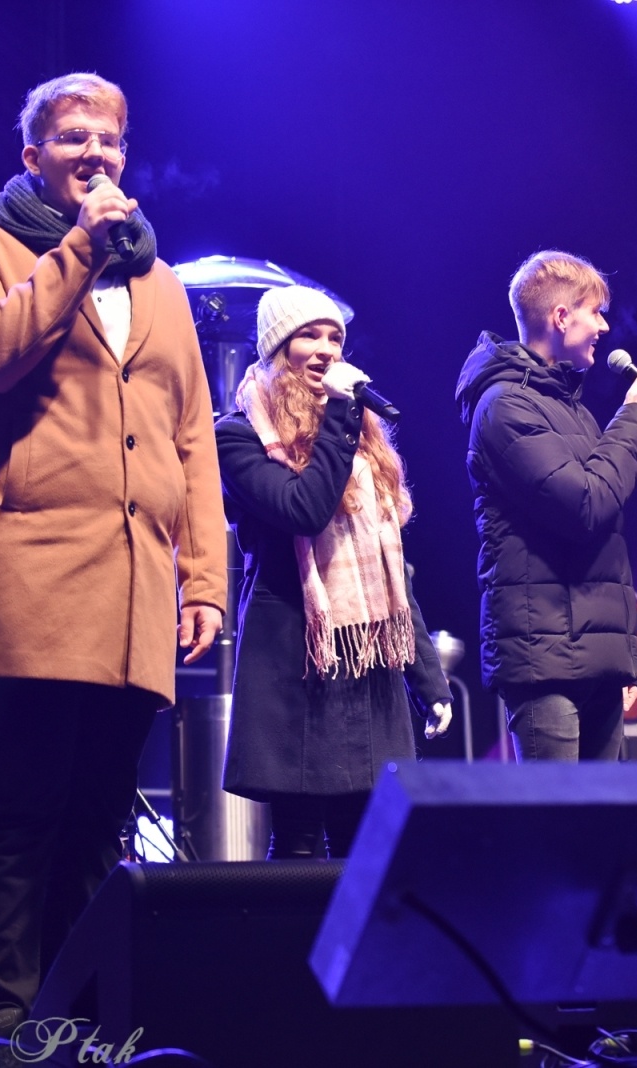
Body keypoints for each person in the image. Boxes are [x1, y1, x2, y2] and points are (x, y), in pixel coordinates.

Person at [0, 73, 227, 1029]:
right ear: (34, 156)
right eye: (71, 139)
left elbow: (193, 438)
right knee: (21, 819)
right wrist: (79, 248)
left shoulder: (162, 283)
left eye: (110, 140)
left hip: (137, 594)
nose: (94, 154)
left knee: (101, 828)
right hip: (28, 580)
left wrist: (206, 580)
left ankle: (80, 1026)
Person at [216, 287, 452, 858]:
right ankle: (288, 950)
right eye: (308, 336)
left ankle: (348, 953)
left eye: (335, 338)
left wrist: (429, 682)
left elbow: (394, 575)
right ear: (277, 349)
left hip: (368, 670)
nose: (325, 349)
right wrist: (343, 420)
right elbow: (304, 509)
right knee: (297, 844)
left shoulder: (362, 444)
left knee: (365, 851)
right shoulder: (239, 435)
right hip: (297, 666)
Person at [456, 251, 637, 761]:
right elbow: (586, 505)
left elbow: (604, 541)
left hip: (590, 651)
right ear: (560, 317)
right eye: (595, 311)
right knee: (556, 829)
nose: (603, 325)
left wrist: (622, 649)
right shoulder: (505, 406)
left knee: (602, 830)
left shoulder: (567, 407)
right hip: (544, 656)